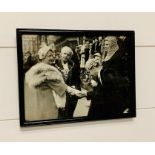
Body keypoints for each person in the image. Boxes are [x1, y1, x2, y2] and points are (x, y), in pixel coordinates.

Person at [78, 36, 130, 118]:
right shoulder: (108, 55)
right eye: (104, 44)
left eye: (107, 44)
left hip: (111, 96)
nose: (105, 46)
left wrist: (99, 73)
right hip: (103, 91)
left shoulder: (117, 58)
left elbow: (111, 83)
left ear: (113, 45)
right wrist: (87, 93)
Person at [24, 45, 77, 121]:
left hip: (34, 107)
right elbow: (61, 86)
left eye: (53, 56)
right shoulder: (48, 71)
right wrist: (77, 92)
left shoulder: (33, 70)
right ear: (42, 57)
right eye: (49, 56)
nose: (52, 58)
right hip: (47, 107)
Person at [55, 46, 81, 118]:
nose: (66, 56)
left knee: (69, 115)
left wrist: (75, 87)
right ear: (61, 54)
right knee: (59, 116)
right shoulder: (55, 65)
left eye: (68, 54)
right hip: (59, 94)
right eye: (64, 53)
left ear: (70, 56)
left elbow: (77, 80)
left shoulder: (73, 65)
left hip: (70, 95)